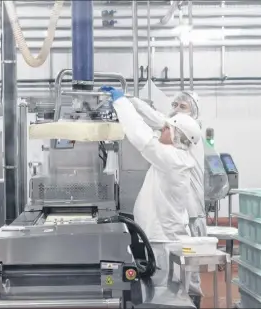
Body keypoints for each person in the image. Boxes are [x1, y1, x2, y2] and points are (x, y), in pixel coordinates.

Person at [129, 92, 206, 302]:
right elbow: (161, 120)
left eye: (183, 106)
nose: (177, 108)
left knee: (189, 270)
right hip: (179, 210)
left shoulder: (189, 133)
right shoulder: (178, 130)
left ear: (193, 112)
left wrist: (129, 103)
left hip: (193, 211)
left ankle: (192, 301)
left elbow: (157, 123)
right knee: (180, 269)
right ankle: (185, 298)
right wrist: (134, 102)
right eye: (175, 104)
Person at [101, 86, 202, 242]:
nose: (161, 130)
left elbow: (140, 134)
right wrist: (130, 100)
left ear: (176, 136)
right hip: (159, 235)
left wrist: (121, 102)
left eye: (167, 129)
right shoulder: (176, 154)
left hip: (164, 238)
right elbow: (156, 119)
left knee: (164, 267)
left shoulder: (173, 159)